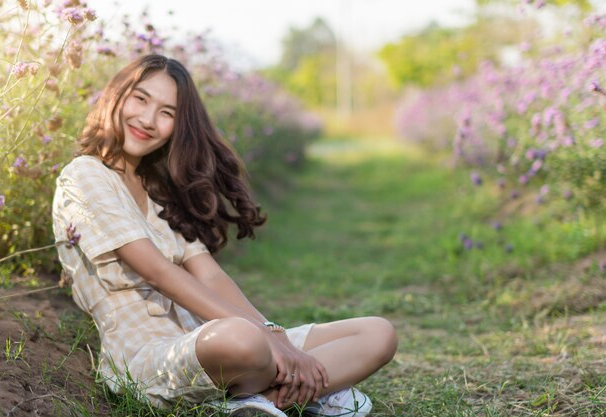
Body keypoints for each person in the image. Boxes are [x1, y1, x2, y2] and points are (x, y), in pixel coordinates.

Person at [52, 54, 397, 417]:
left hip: (209, 335)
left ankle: (256, 400)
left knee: (377, 333)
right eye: (141, 99)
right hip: (151, 357)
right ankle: (303, 391)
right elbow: (158, 272)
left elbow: (211, 275)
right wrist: (264, 338)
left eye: (167, 113)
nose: (148, 120)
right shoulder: (86, 175)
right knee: (243, 339)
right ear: (116, 97)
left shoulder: (156, 188)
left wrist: (274, 334)